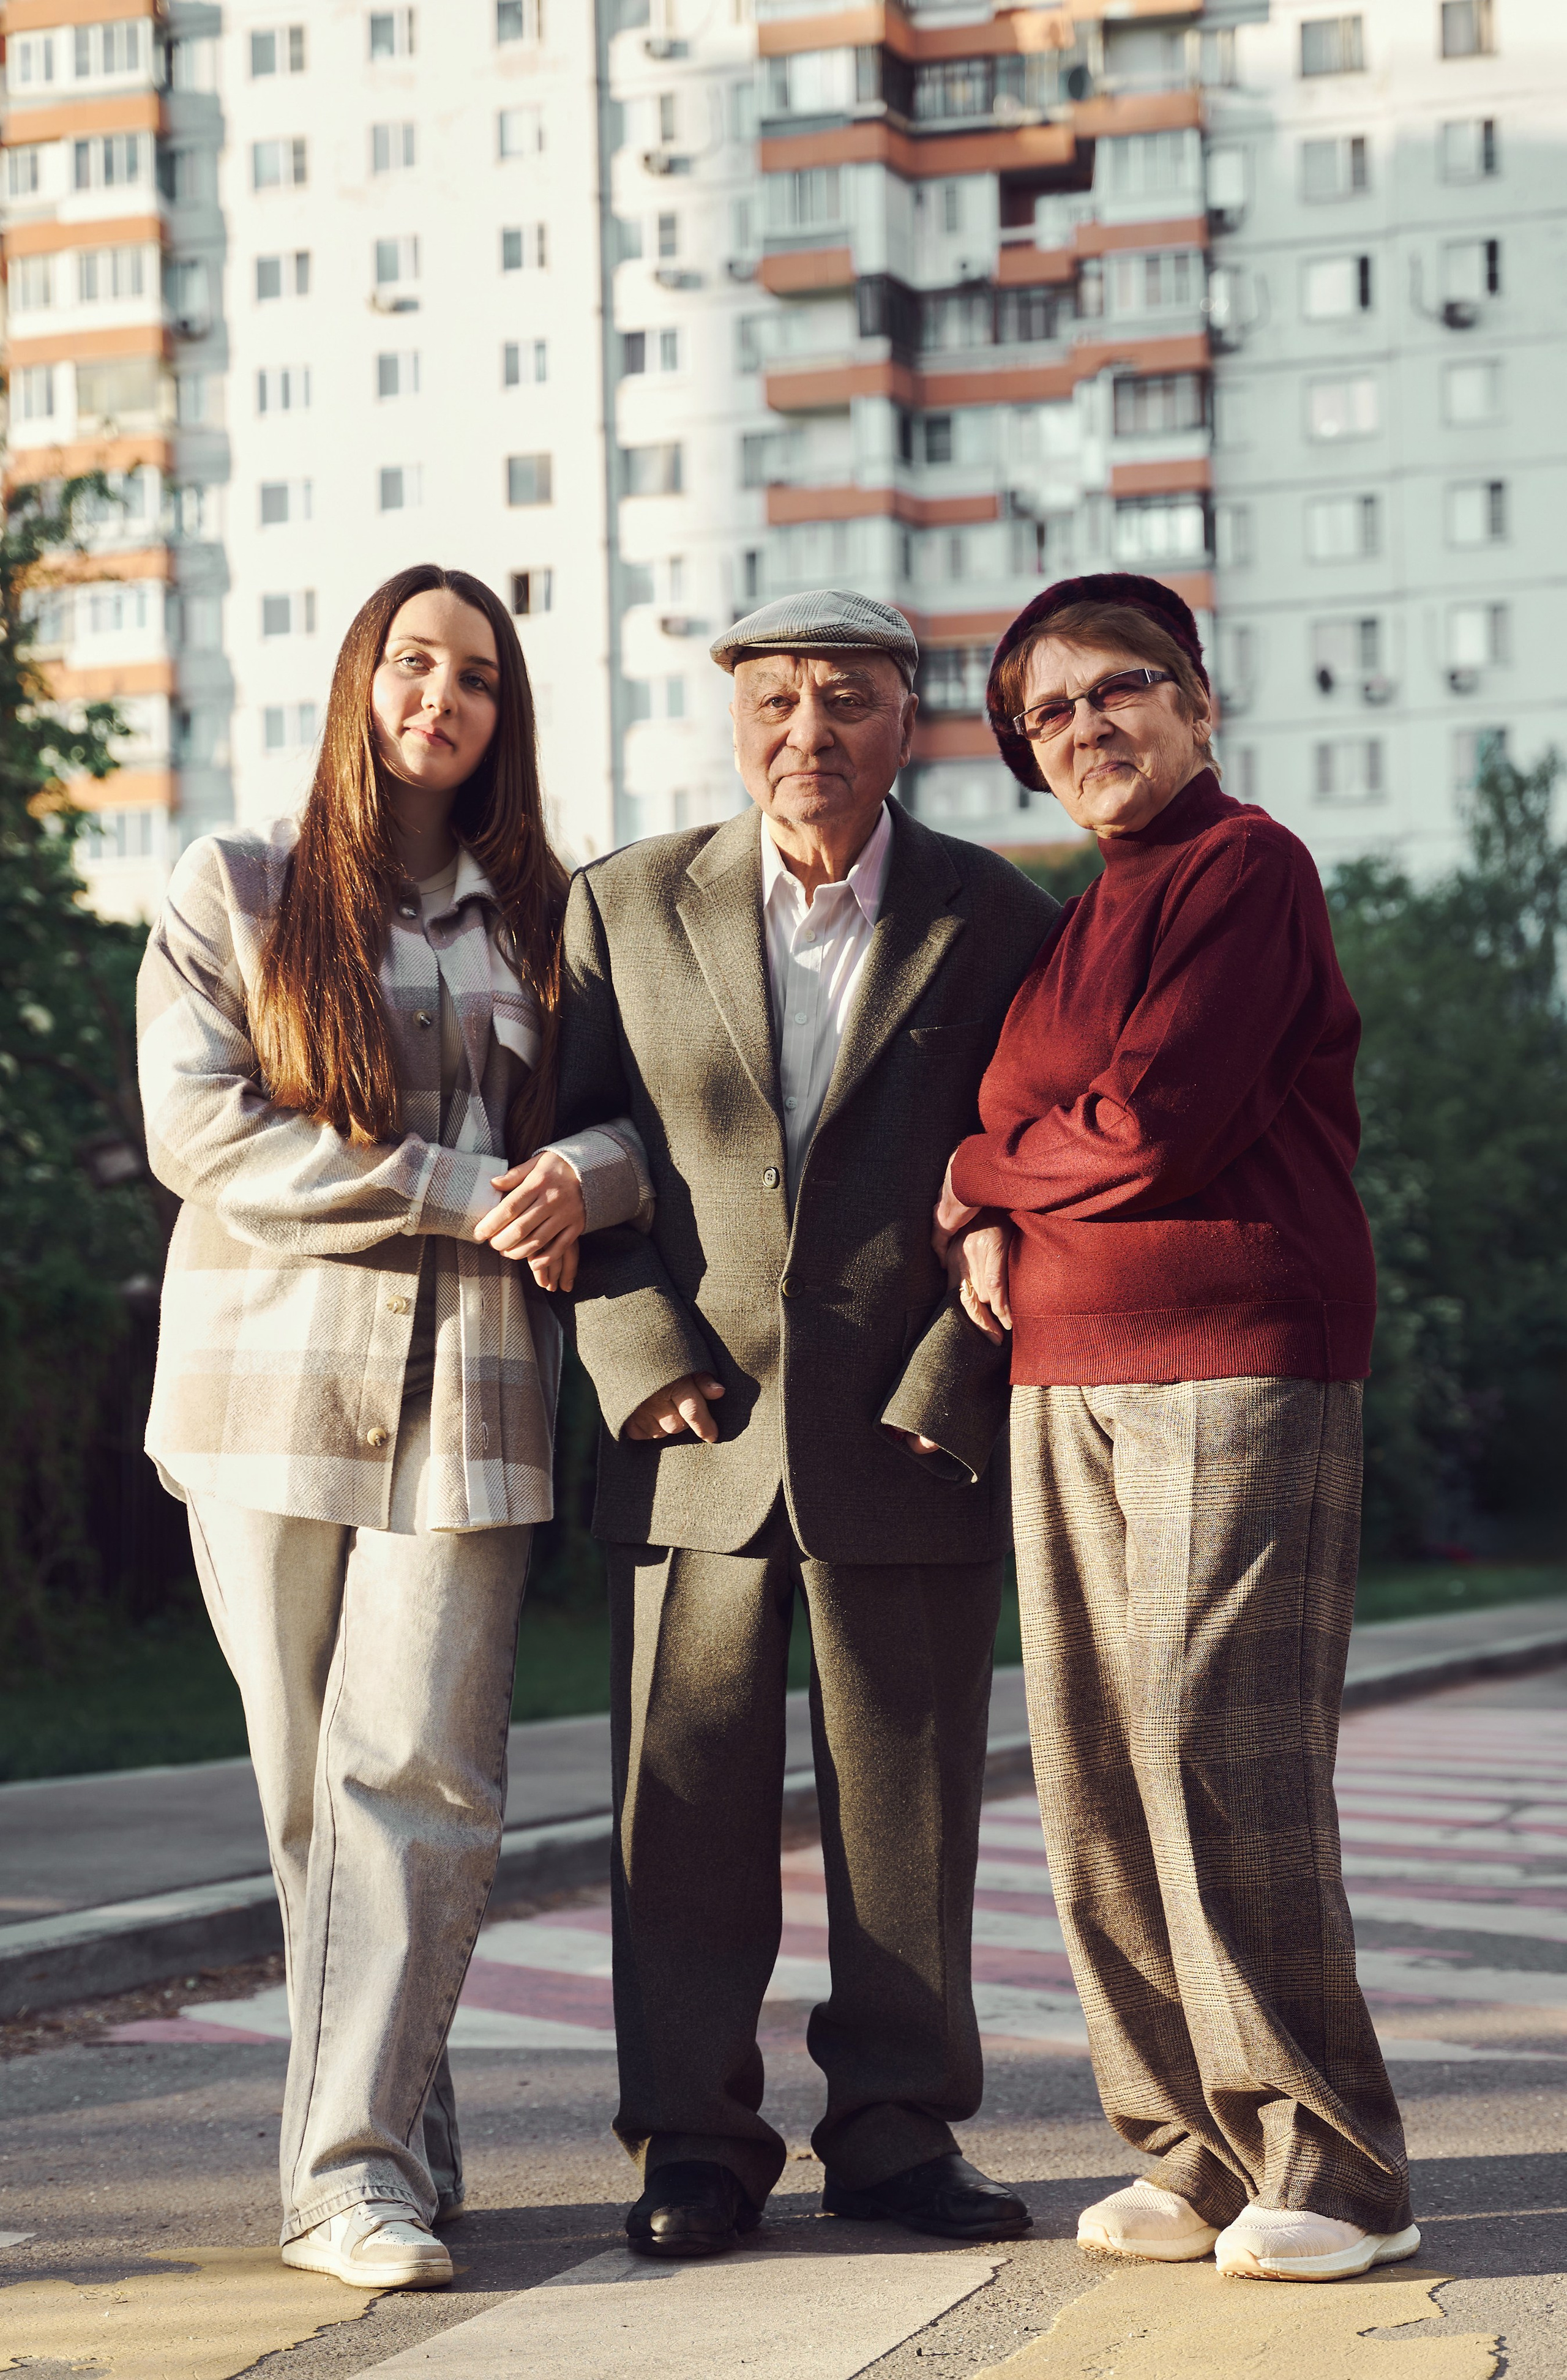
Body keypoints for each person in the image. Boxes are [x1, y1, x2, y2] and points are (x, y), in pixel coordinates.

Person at [137, 564, 650, 2291]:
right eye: (415, 661)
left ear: (507, 718)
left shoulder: (553, 916)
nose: (444, 694)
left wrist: (583, 1172)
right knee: (311, 1804)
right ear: (364, 681)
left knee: (419, 1781)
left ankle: (345, 2177)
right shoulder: (239, 886)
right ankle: (402, 2143)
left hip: (479, 1404)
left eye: (481, 676)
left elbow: (629, 1132)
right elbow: (202, 1137)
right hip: (260, 1394)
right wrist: (450, 1182)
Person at [551, 589, 1057, 2259]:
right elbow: (576, 1147)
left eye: (846, 700)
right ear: (733, 717)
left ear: (909, 721)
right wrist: (634, 1353)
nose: (807, 734)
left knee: (906, 1815)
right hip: (691, 1430)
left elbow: (1033, 1176)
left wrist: (951, 1387)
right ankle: (694, 2142)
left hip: (910, 1433)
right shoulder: (624, 903)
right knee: (677, 1809)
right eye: (774, 700)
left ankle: (900, 2134)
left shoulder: (998, 917)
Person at [934, 571, 1417, 2285]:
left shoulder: (1248, 868)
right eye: (1044, 715)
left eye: (1114, 687)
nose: (1083, 728)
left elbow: (1147, 1127)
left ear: (1197, 699)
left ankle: (1337, 2163)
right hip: (1062, 1366)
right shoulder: (1078, 923)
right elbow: (1034, 1107)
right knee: (1088, 1767)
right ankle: (1189, 2149)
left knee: (1221, 1743)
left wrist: (981, 1179)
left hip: (1234, 1352)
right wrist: (997, 1190)